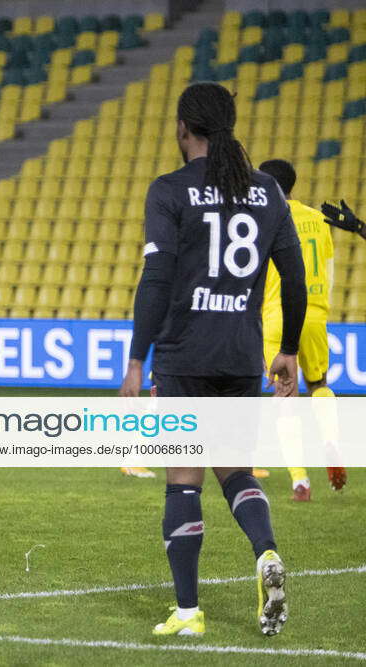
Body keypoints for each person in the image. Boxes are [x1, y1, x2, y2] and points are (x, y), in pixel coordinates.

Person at [119, 82, 307, 637]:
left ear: (183, 128)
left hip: (184, 353)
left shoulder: (170, 191)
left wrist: (137, 358)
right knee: (236, 471)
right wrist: (290, 349)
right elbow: (293, 279)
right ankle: (266, 551)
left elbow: (156, 278)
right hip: (242, 353)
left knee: (183, 480)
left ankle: (187, 613)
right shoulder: (268, 191)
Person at [257, 159, 347, 500]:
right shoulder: (317, 220)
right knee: (319, 384)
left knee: (284, 397)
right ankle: (331, 441)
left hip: (276, 314)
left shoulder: (264, 218)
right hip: (314, 312)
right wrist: (322, 310)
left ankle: (300, 481)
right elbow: (328, 268)